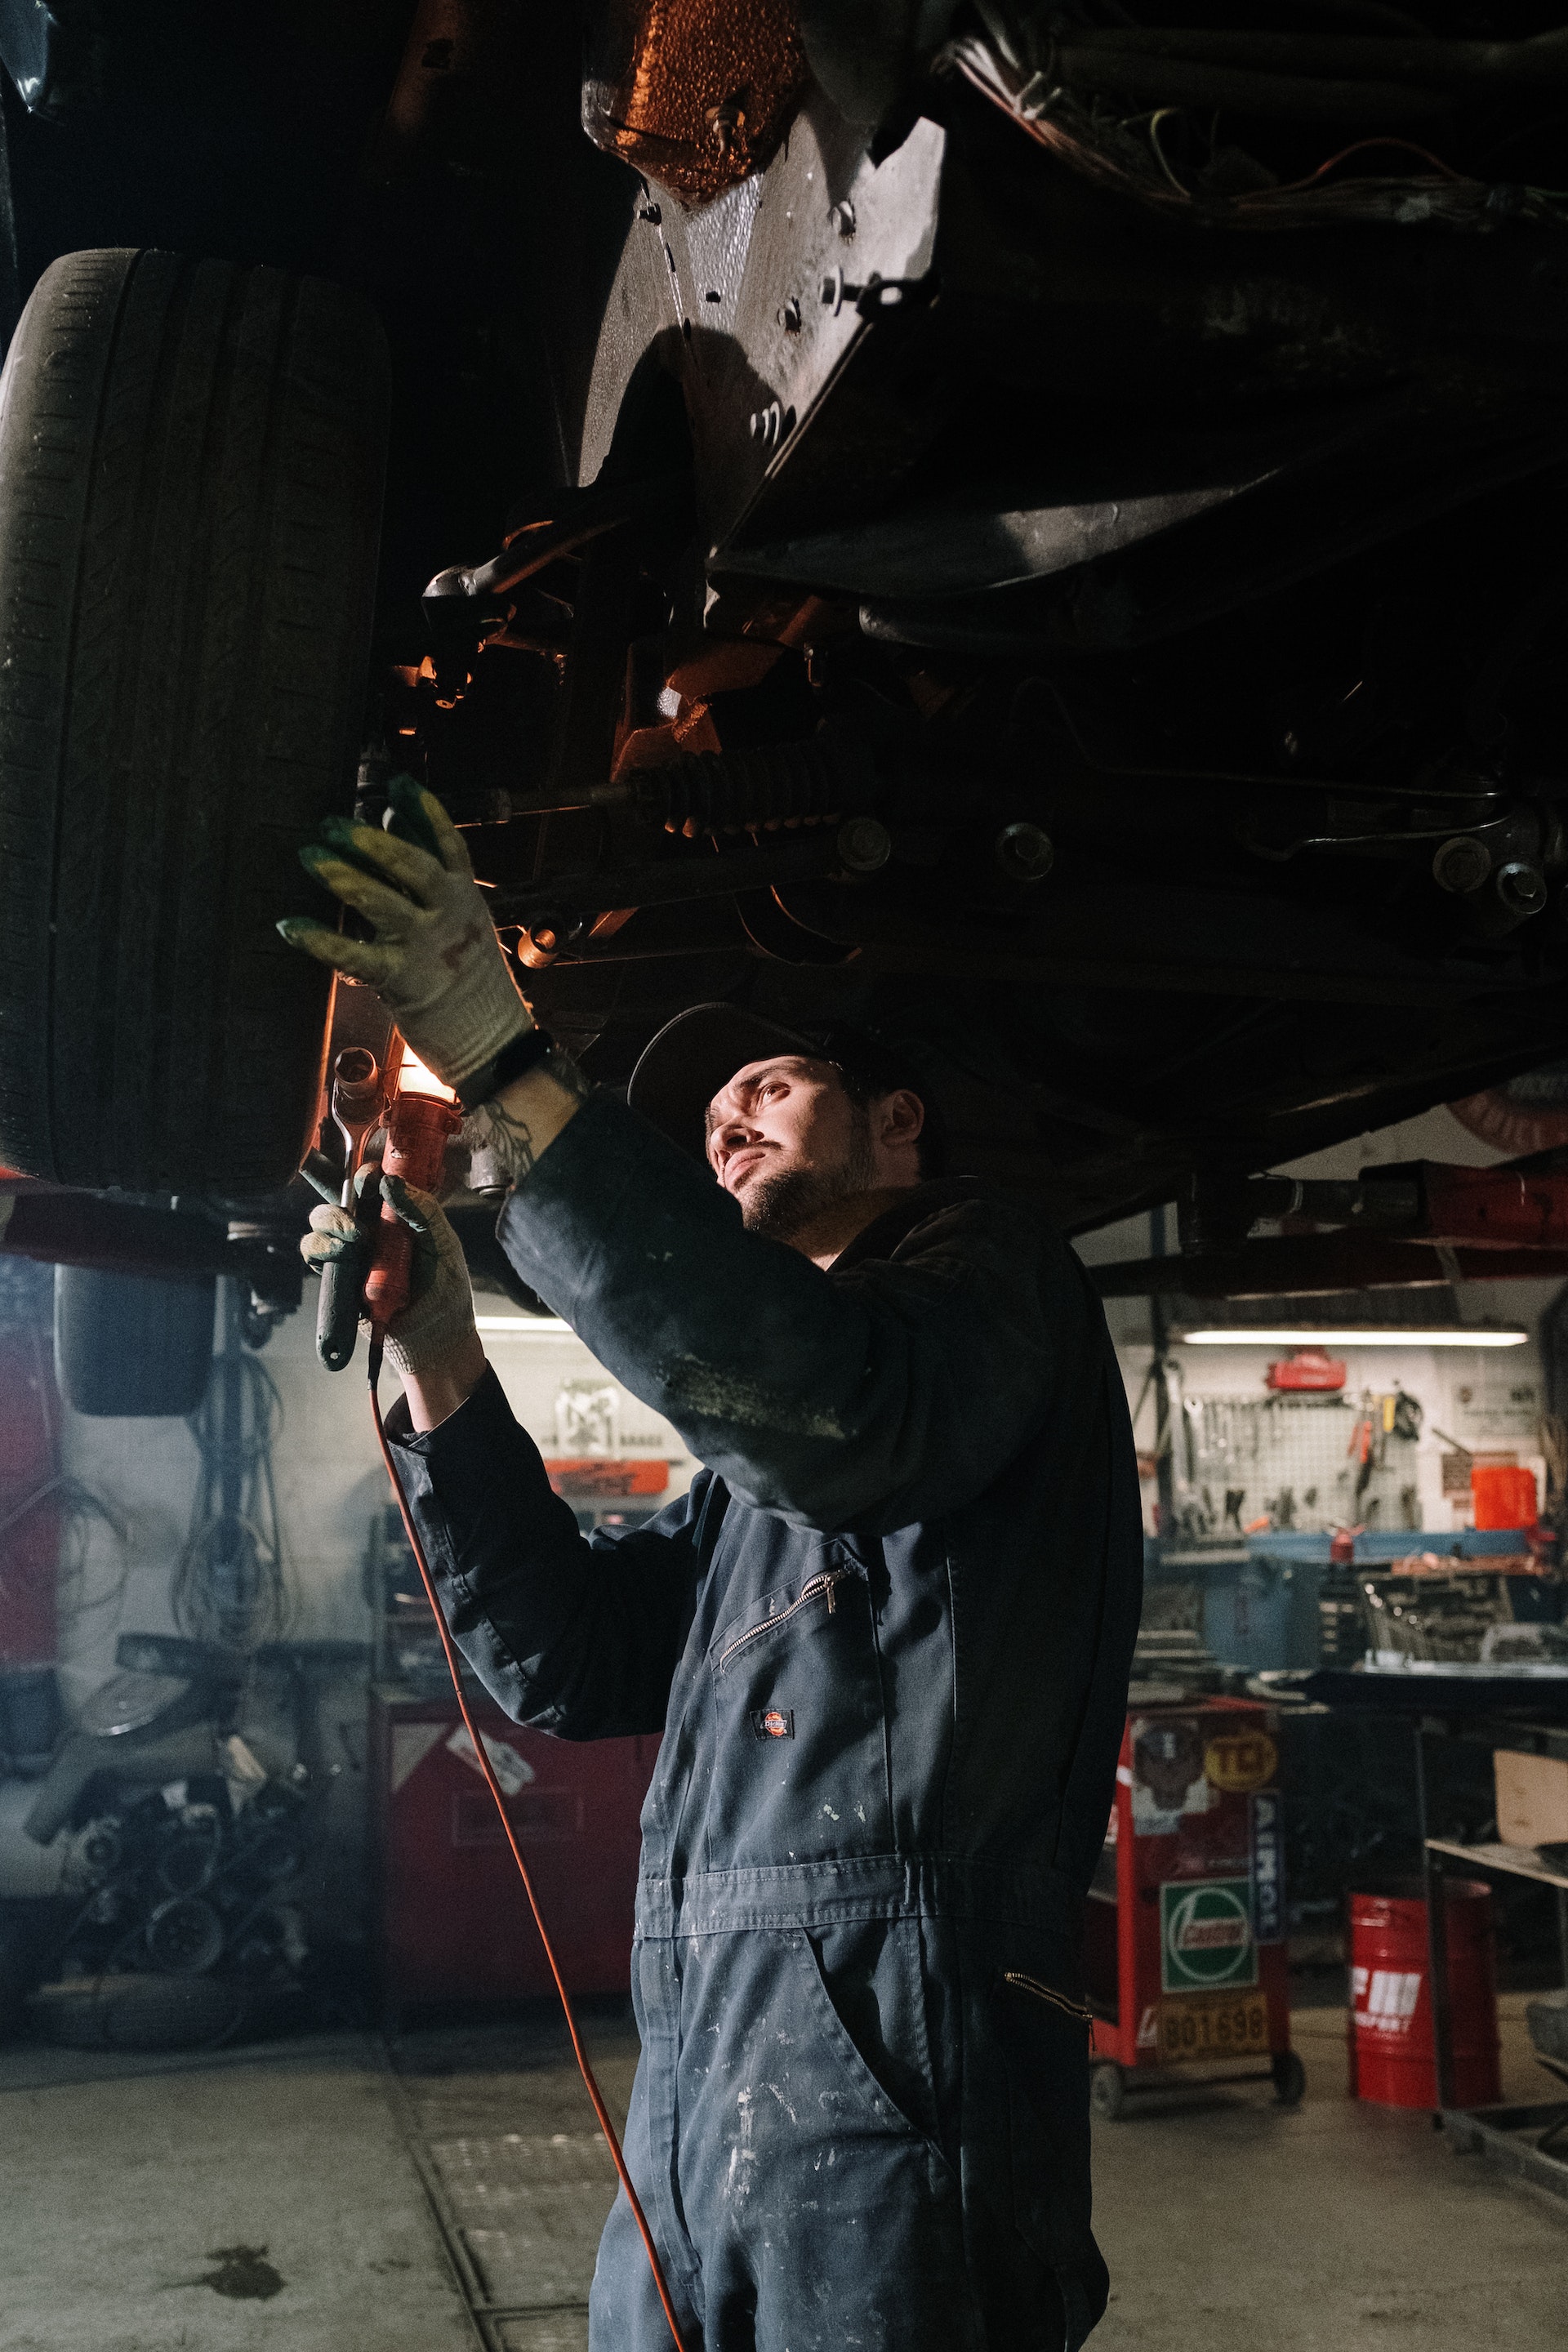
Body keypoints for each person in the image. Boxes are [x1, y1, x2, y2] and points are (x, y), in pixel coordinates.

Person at [281, 779, 1143, 2352]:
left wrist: (495, 1043)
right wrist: (443, 1354)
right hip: (705, 2110)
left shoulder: (989, 1280)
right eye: (708, 1116)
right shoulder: (763, 1479)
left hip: (901, 2108)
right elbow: (575, 1656)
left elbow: (828, 1411)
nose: (728, 1119)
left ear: (900, 1121)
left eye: (767, 1082)